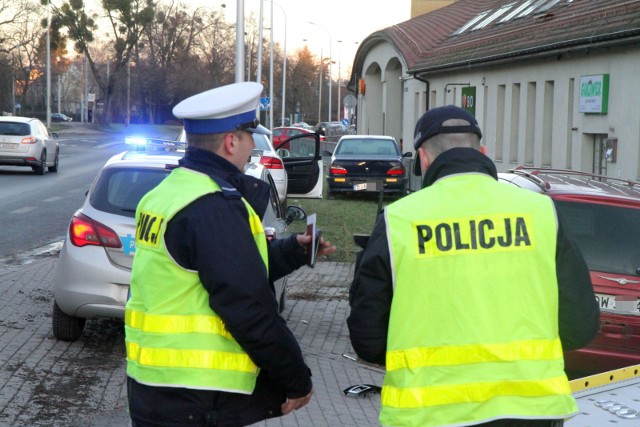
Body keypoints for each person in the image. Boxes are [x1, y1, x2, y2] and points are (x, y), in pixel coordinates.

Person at [347, 105, 599, 427]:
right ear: (482, 152)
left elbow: (367, 338)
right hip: (531, 411)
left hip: (429, 414)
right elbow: (580, 325)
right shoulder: (540, 212)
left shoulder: (399, 221)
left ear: (423, 159)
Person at [125, 82, 336, 426]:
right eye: (250, 134)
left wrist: (291, 251)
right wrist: (296, 379)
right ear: (231, 141)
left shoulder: (166, 193)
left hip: (156, 387)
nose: (253, 144)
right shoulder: (211, 205)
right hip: (196, 396)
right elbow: (247, 306)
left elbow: (219, 265)